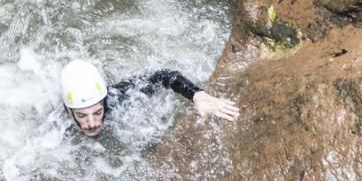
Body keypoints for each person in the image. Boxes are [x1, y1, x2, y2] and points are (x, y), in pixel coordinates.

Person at [59, 59, 239, 138]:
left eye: (97, 112)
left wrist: (197, 95)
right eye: (82, 116)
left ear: (104, 102)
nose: (92, 123)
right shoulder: (58, 127)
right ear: (68, 111)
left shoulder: (116, 98)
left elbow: (164, 75)